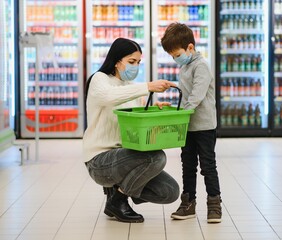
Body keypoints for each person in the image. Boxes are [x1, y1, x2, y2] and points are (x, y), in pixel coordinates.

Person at [83, 37, 179, 223]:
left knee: (170, 192)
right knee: (156, 157)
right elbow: (110, 97)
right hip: (99, 160)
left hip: (125, 157)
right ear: (118, 61)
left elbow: (135, 115)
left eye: (138, 62)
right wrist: (148, 87)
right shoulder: (99, 79)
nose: (136, 66)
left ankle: (118, 189)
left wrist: (155, 107)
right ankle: (118, 201)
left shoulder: (130, 87)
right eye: (131, 62)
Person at [161, 23, 222, 223]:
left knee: (207, 166)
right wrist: (173, 95)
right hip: (187, 125)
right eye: (172, 56)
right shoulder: (186, 66)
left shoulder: (201, 65)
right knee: (188, 165)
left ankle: (214, 205)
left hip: (203, 126)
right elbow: (187, 92)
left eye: (176, 54)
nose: (175, 58)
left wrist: (182, 113)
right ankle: (188, 203)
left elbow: (196, 95)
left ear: (189, 47)